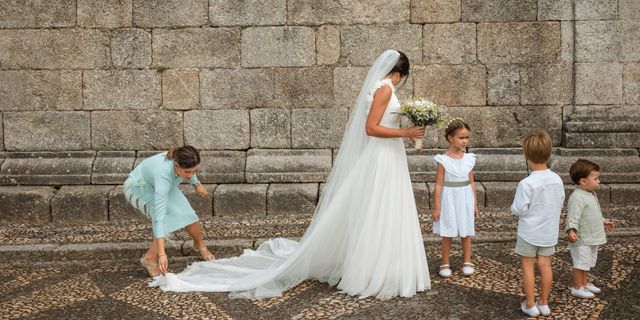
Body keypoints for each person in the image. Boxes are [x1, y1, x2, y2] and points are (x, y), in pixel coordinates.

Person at [152, 50, 431, 298]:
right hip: (382, 157)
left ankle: (381, 265)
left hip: (387, 156)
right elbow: (371, 128)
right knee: (381, 209)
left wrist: (407, 134)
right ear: (397, 74)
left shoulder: (381, 88)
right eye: (401, 77)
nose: (399, 81)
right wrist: (406, 132)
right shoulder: (384, 89)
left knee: (383, 209)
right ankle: (377, 270)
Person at [123, 146, 214, 277]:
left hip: (162, 182)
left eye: (194, 171)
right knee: (168, 217)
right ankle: (149, 258)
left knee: (188, 214)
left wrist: (196, 184)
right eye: (187, 172)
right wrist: (162, 254)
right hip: (140, 186)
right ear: (176, 166)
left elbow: (191, 169)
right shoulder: (163, 175)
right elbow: (160, 218)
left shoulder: (182, 160)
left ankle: (199, 245)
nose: (190, 175)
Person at [511, 130, 564, 318]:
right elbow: (560, 200)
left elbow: (519, 209)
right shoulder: (557, 179)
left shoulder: (526, 183)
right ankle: (544, 303)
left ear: (526, 155)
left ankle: (530, 304)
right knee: (546, 266)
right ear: (549, 154)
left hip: (529, 233)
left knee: (527, 266)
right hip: (549, 232)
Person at [432, 118, 478, 278]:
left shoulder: (469, 159)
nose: (465, 141)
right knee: (448, 230)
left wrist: (475, 204)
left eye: (467, 138)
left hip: (465, 197)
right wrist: (437, 207)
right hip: (449, 199)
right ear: (451, 138)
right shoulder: (442, 160)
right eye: (461, 137)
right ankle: (445, 262)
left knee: (466, 231)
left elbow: (471, 182)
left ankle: (467, 260)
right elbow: (438, 185)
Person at [565, 159, 614, 299]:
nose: (599, 181)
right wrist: (571, 230)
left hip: (591, 237)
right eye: (596, 178)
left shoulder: (591, 194)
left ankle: (584, 283)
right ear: (583, 181)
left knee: (586, 263)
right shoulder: (577, 197)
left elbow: (595, 212)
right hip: (582, 238)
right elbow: (572, 216)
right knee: (580, 263)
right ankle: (577, 287)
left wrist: (603, 221)